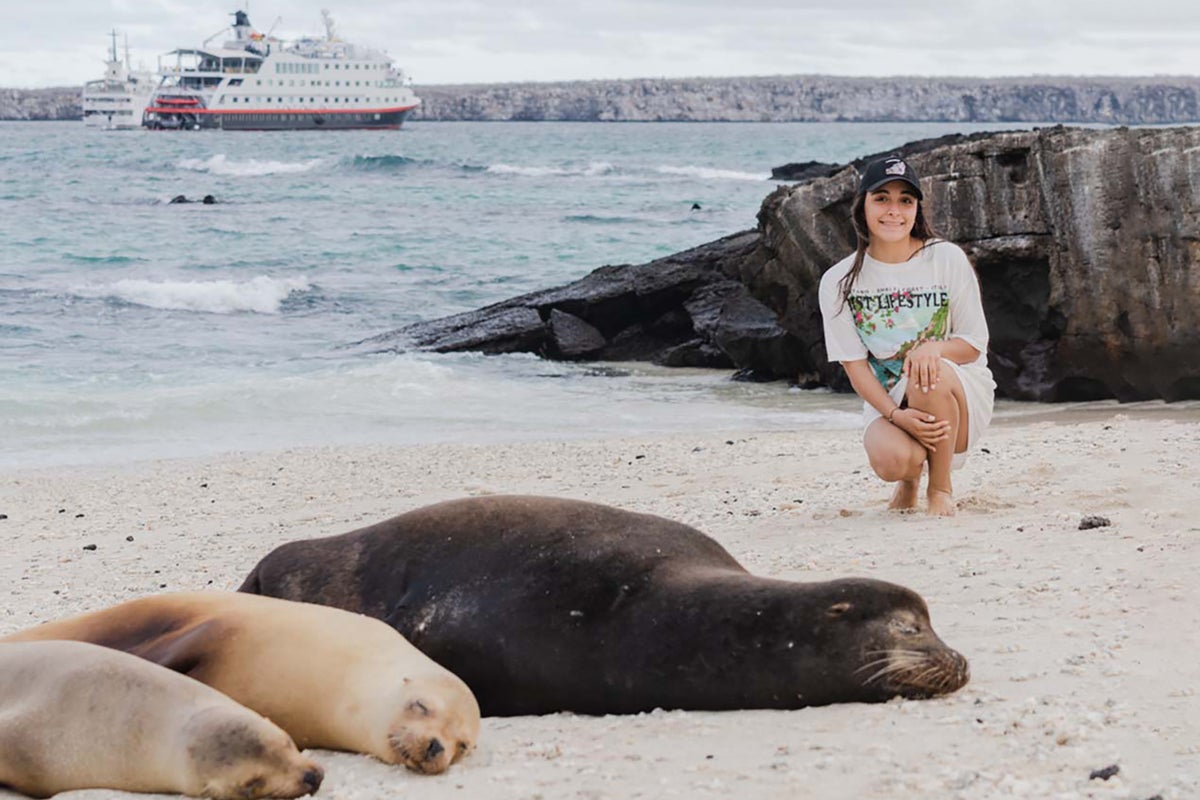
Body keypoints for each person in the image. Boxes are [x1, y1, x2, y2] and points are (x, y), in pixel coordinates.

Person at [817, 154, 996, 516]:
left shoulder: (945, 258)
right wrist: (895, 416)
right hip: (891, 402)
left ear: (917, 209)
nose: (893, 211)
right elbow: (856, 368)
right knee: (892, 460)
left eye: (905, 200)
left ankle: (940, 488)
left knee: (928, 370)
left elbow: (974, 345)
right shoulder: (839, 281)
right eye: (881, 198)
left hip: (957, 395)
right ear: (862, 206)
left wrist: (933, 349)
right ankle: (910, 480)